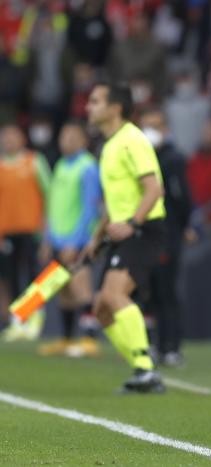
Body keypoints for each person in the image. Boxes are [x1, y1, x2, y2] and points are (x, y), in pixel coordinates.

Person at [84, 81, 167, 393]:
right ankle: (141, 363)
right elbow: (114, 201)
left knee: (115, 296)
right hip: (121, 230)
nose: (87, 107)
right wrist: (97, 237)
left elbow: (153, 188)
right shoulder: (108, 146)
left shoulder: (133, 139)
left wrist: (132, 224)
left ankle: (146, 368)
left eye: (95, 101)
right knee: (102, 309)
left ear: (115, 108)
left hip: (143, 228)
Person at [37, 121, 101, 358]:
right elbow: (52, 205)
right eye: (64, 136)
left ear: (84, 141)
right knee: (63, 291)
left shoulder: (88, 167)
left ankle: (89, 339)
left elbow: (90, 208)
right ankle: (66, 338)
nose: (67, 141)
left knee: (81, 286)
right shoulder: (61, 165)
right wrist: (47, 239)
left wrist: (76, 241)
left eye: (73, 137)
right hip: (57, 238)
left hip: (77, 240)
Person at [139, 107, 193, 367]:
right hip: (145, 235)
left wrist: (180, 229)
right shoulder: (140, 158)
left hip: (166, 235)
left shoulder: (173, 160)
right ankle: (153, 345)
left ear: (166, 130)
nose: (150, 131)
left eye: (155, 125)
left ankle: (171, 346)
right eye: (146, 125)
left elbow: (182, 200)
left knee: (166, 292)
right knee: (148, 293)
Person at [0, 124, 51, 341]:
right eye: (5, 137)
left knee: (35, 277)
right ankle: (17, 320)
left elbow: (49, 196)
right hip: (5, 233)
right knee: (9, 279)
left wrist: (47, 235)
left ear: (22, 138)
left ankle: (34, 318)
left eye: (13, 136)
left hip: (32, 231)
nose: (9, 140)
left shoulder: (34, 161)